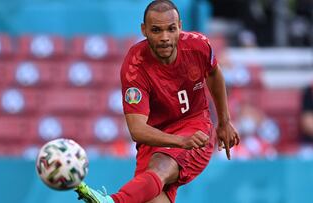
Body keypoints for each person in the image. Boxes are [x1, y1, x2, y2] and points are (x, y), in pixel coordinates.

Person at [74, 1, 240, 202]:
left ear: (180, 26)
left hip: (195, 129)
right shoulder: (135, 65)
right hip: (155, 139)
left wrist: (223, 122)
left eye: (171, 29)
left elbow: (214, 73)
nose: (165, 38)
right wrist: (179, 141)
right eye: (156, 30)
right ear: (144, 30)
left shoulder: (198, 45)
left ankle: (113, 201)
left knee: (161, 166)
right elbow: (137, 130)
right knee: (150, 194)